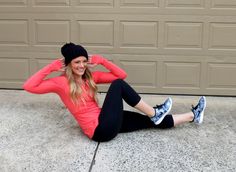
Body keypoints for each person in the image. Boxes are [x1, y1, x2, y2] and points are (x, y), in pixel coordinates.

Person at [23, 42, 206, 142]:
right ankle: (155, 112)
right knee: (118, 85)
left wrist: (102, 60)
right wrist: (50, 67)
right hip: (100, 131)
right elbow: (29, 86)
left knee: (148, 121)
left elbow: (122, 74)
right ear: (69, 64)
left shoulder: (90, 77)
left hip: (106, 121)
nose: (81, 65)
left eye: (84, 61)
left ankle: (192, 115)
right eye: (77, 62)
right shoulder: (60, 82)